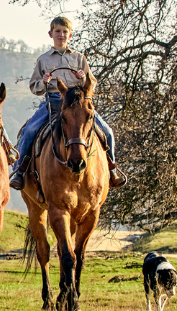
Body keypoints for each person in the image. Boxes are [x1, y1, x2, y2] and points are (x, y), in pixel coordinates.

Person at [8, 17, 126, 190]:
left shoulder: (79, 58)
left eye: (64, 32)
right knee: (30, 130)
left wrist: (83, 78)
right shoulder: (44, 59)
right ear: (51, 34)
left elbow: (91, 83)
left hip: (77, 104)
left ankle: (112, 169)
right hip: (54, 101)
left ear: (70, 35)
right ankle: (19, 171)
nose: (61, 35)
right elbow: (34, 86)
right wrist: (44, 81)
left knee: (106, 131)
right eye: (58, 31)